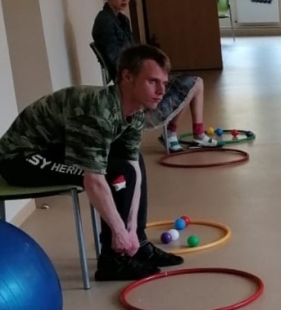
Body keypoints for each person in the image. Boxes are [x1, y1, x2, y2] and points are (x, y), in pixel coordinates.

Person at [0, 44, 184, 281]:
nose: (161, 91)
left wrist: (132, 229)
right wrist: (120, 232)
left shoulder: (135, 111)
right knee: (112, 173)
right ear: (127, 77)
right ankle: (112, 261)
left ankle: (138, 244)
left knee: (131, 163)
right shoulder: (97, 112)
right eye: (153, 82)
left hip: (55, 150)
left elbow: (133, 167)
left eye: (164, 83)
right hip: (19, 158)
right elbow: (94, 180)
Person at [91, 0, 218, 152]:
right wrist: (147, 71)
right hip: (132, 83)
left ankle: (192, 134)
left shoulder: (122, 20)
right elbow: (118, 62)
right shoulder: (104, 22)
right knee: (193, 83)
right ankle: (173, 134)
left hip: (140, 75)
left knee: (196, 82)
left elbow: (133, 52)